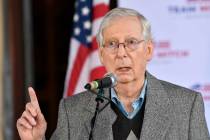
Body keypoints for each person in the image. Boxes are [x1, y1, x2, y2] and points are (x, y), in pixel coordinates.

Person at [16, 7, 210, 140]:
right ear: (101, 54)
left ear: (149, 50)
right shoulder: (73, 110)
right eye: (112, 44)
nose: (121, 52)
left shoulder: (187, 105)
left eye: (131, 42)